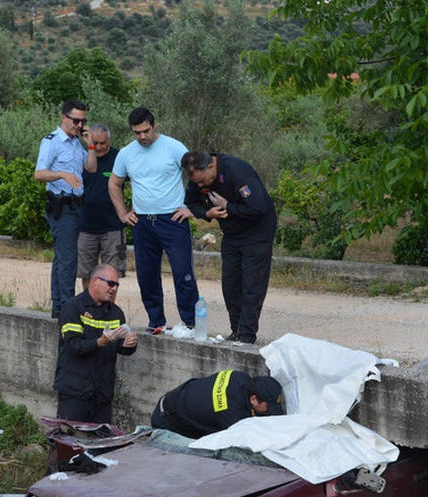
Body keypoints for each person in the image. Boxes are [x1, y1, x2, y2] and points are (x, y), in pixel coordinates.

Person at [108, 106, 199, 332]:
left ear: (154, 125)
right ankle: (156, 321)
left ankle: (191, 323)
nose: (142, 137)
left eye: (146, 131)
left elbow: (196, 175)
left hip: (173, 219)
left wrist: (190, 208)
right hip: (142, 222)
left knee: (183, 273)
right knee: (147, 275)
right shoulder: (126, 153)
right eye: (137, 133)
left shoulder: (174, 147)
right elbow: (114, 183)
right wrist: (122, 213)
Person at [182, 151, 277, 344]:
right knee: (230, 285)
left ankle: (247, 337)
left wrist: (228, 206)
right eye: (197, 183)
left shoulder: (237, 172)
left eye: (202, 182)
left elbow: (258, 207)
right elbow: (191, 203)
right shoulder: (198, 177)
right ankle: (237, 331)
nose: (200, 186)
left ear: (210, 166)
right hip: (232, 234)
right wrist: (207, 212)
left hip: (257, 232)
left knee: (251, 285)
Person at [35, 99, 97, 318]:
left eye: (83, 121)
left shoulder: (75, 144)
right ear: (64, 118)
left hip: (76, 206)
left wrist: (90, 144)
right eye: (76, 121)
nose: (79, 125)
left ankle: (59, 306)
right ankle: (68, 308)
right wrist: (62, 174)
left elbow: (90, 168)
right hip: (61, 206)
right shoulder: (51, 142)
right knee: (69, 259)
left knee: (62, 257)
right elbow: (39, 174)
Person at [55, 263, 138, 423]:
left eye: (117, 285)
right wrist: (100, 342)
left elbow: (120, 347)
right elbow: (74, 346)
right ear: (94, 282)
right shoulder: (72, 308)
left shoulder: (116, 313)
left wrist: (129, 344)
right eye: (110, 283)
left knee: (101, 445)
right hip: (75, 392)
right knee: (70, 443)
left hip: (102, 394)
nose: (113, 288)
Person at [150, 370, 284, 439]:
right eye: (267, 409)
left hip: (176, 399)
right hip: (167, 421)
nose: (268, 414)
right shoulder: (232, 414)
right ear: (254, 399)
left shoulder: (240, 377)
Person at [77, 123, 127, 290]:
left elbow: (140, 182)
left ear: (109, 141)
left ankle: (108, 312)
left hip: (113, 228)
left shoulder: (119, 158)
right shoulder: (83, 157)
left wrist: (132, 211)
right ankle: (88, 308)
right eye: (95, 143)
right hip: (85, 227)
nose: (98, 147)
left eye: (103, 143)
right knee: (86, 274)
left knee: (112, 274)